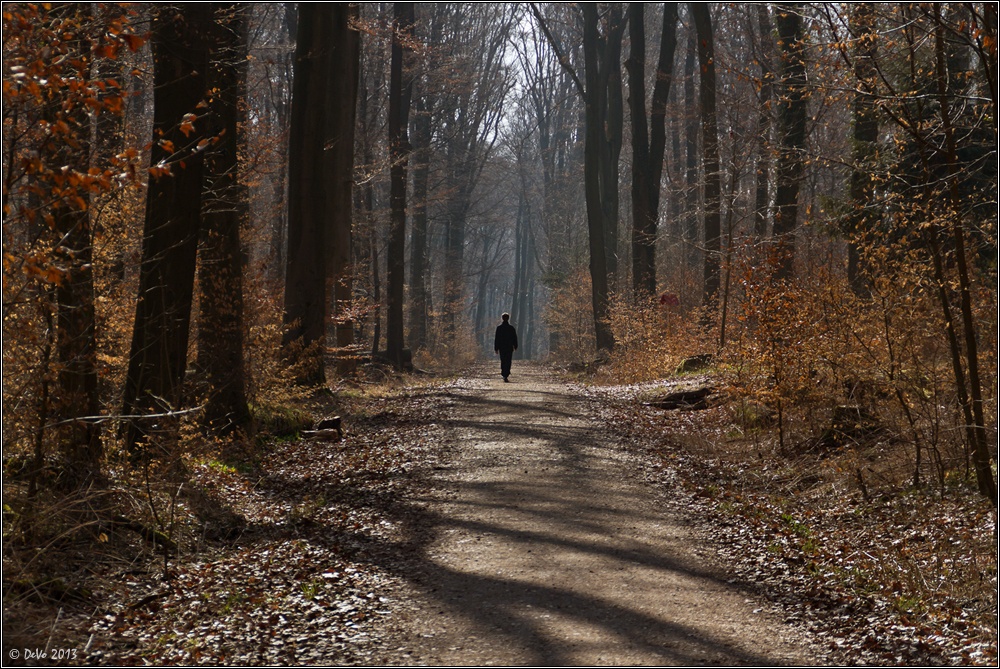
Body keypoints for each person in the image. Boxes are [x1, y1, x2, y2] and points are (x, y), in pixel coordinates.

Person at [493, 313, 518, 382]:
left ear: (502, 318)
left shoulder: (499, 328)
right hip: (509, 347)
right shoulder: (511, 328)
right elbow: (514, 338)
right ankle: (506, 373)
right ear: (508, 318)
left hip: (502, 347)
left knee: (503, 360)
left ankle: (504, 373)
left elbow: (497, 338)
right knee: (508, 360)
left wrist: (496, 348)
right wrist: (515, 346)